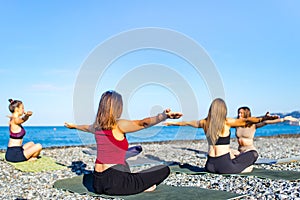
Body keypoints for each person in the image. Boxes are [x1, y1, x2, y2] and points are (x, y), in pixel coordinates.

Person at [64, 90, 182, 195]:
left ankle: (127, 159)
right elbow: (142, 123)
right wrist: (163, 116)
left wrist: (73, 126)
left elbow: (84, 127)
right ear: (117, 107)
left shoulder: (96, 126)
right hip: (115, 183)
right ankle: (140, 186)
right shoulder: (119, 125)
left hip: (97, 183)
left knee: (123, 162)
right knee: (164, 169)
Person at [164, 98, 278, 174]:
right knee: (253, 154)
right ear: (223, 110)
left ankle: (236, 165)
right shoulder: (226, 122)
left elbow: (187, 123)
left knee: (235, 154)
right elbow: (247, 121)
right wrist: (263, 118)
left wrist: (172, 122)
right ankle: (243, 169)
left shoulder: (204, 122)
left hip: (209, 165)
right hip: (224, 166)